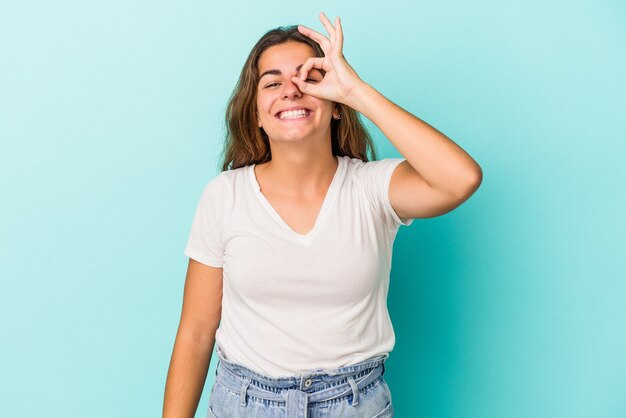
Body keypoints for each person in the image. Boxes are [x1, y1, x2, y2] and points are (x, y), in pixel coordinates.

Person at [163, 12, 482, 418]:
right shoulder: (224, 195)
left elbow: (461, 179)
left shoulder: (372, 190)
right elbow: (195, 332)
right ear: (257, 114)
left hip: (355, 406)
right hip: (243, 404)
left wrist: (357, 91)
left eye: (309, 79)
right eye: (273, 82)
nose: (291, 91)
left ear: (335, 106)